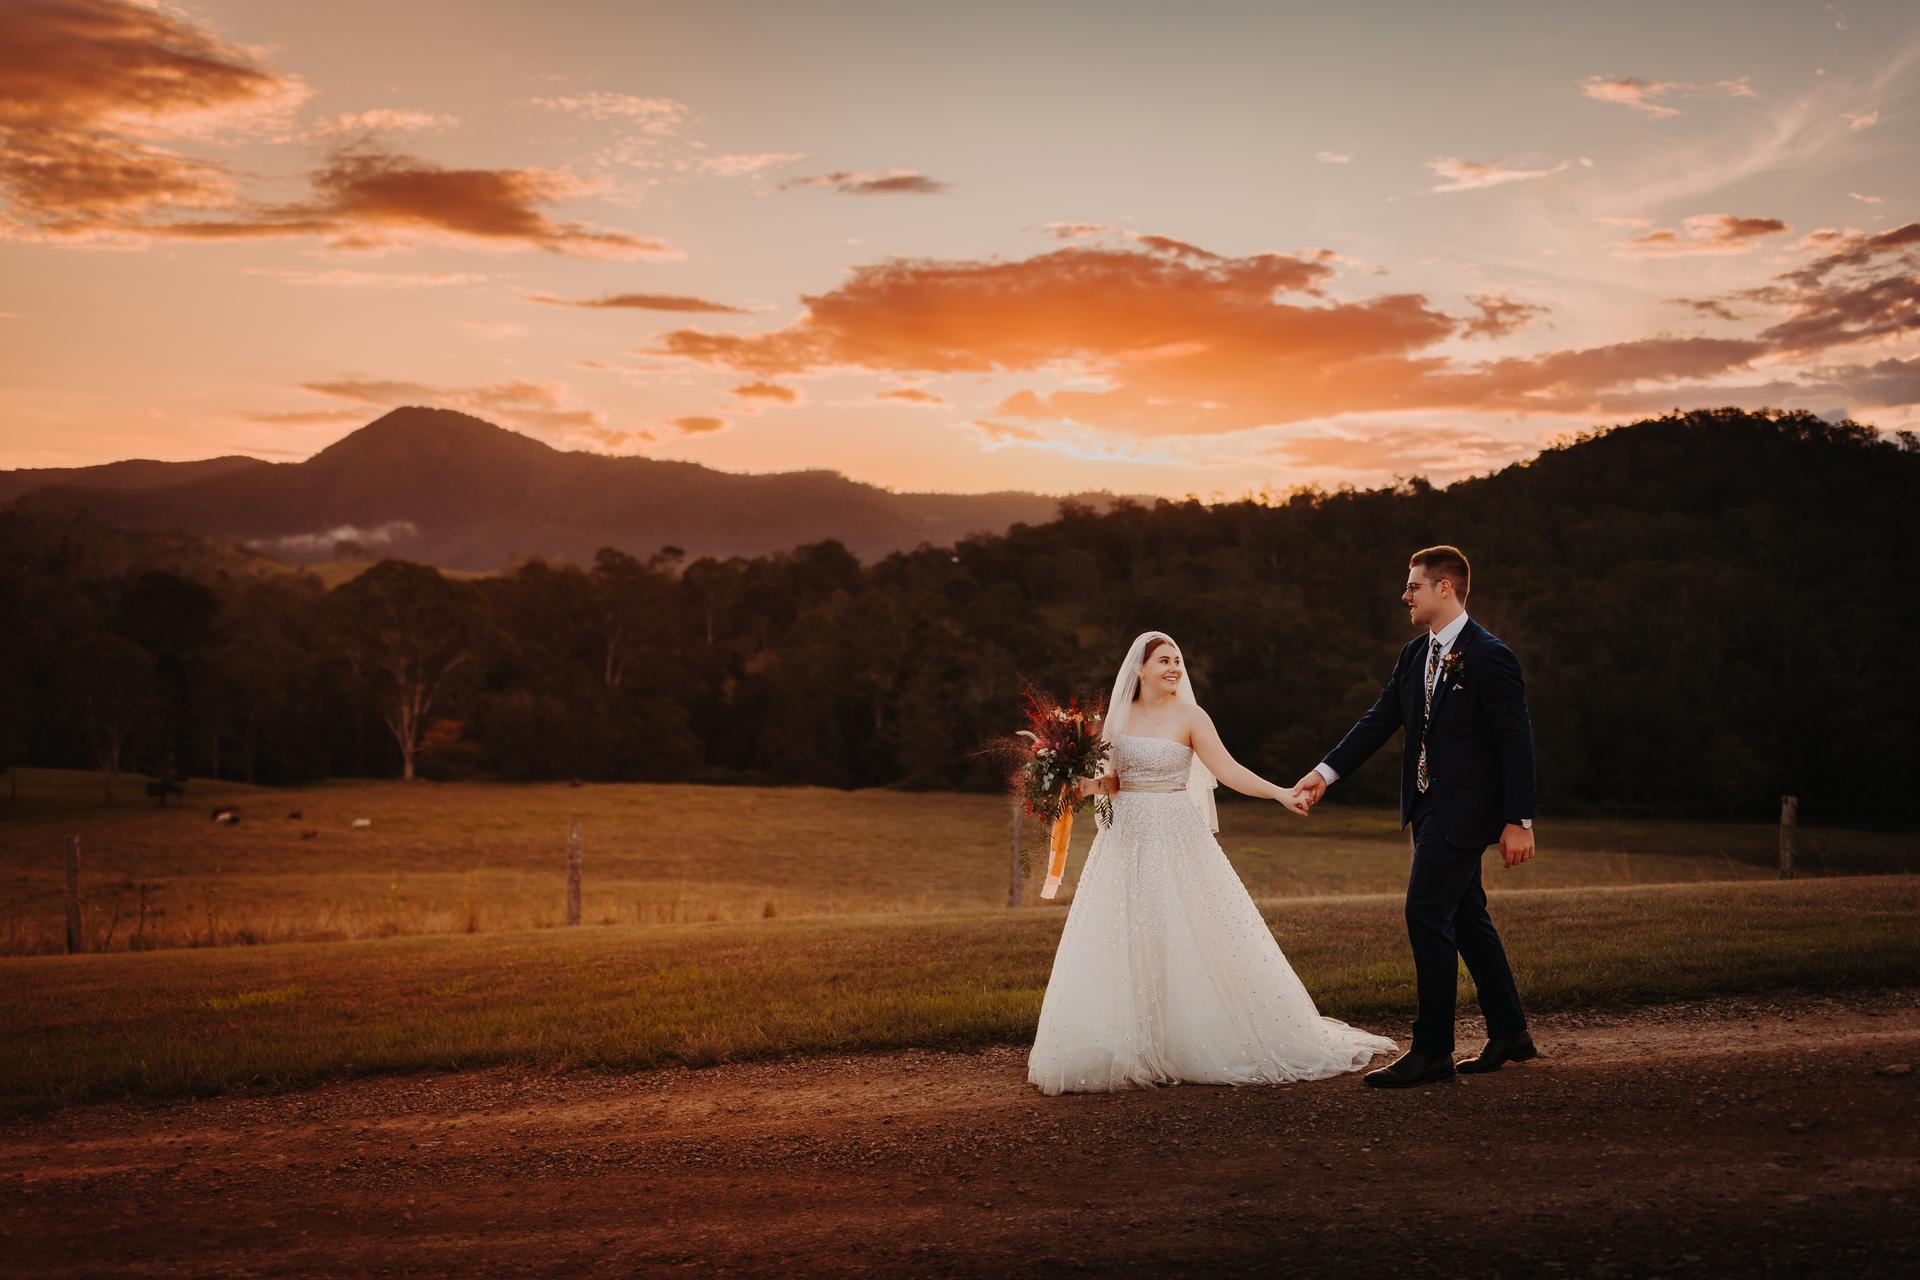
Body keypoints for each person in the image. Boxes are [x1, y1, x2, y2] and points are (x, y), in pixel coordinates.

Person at [1027, 630, 1396, 1095]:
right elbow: (1112, 783)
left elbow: (1230, 771)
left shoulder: (1191, 716)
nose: (1174, 668)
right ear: (1139, 669)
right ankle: (1133, 1041)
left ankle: (1194, 1037)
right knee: (1125, 932)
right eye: (1164, 660)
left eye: (1177, 660)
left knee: (1187, 930)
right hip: (1125, 840)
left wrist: (1281, 793)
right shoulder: (1115, 719)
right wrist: (1070, 783)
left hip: (1177, 835)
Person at [1294, 544, 1538, 1088]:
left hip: (1467, 813)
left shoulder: (1489, 654)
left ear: (1444, 588)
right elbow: (1380, 720)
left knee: (1426, 914)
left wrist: (1518, 820)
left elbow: (1515, 741)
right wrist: (1324, 773)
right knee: (1468, 918)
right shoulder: (1414, 655)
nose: (1405, 595)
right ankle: (1511, 1032)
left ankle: (1431, 1051)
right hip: (1427, 811)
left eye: (1414, 586)